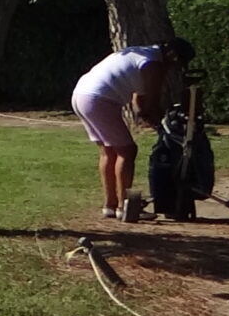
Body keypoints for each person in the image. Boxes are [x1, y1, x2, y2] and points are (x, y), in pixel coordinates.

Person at [71, 38, 194, 221]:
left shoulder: (141, 53)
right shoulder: (153, 64)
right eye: (177, 64)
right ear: (172, 56)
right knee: (127, 151)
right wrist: (163, 123)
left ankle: (110, 205)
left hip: (81, 95)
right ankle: (124, 206)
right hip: (99, 99)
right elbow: (150, 103)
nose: (173, 69)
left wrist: (150, 119)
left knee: (109, 152)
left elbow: (139, 102)